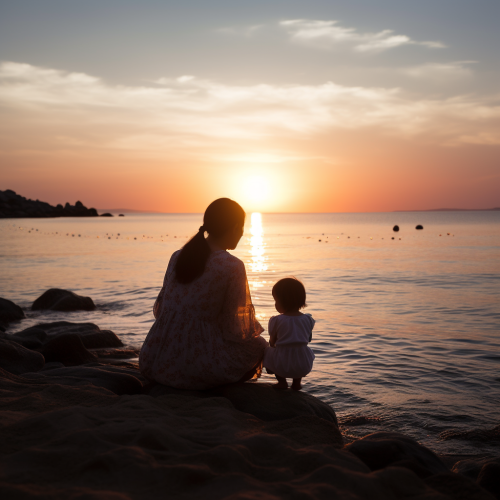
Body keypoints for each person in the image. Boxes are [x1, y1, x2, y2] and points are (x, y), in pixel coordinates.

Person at [139, 198, 267, 390]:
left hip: (154, 358)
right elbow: (235, 328)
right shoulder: (232, 266)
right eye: (242, 228)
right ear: (234, 228)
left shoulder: (178, 255)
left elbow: (161, 309)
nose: (242, 234)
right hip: (194, 365)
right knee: (259, 346)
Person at [263, 277, 315, 391]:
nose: (275, 304)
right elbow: (308, 338)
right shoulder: (308, 319)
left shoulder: (277, 320)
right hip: (303, 363)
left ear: (283, 301)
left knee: (267, 351)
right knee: (300, 352)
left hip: (282, 363)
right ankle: (297, 383)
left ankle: (282, 382)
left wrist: (273, 349)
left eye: (276, 300)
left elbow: (272, 341)